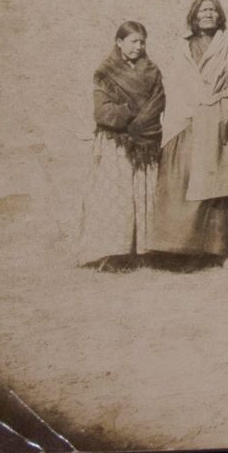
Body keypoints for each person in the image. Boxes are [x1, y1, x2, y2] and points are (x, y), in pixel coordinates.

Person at [155, 0, 228, 255]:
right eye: (202, 10)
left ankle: (218, 253)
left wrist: (218, 103)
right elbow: (171, 83)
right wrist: (187, 108)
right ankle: (177, 251)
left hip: (216, 123)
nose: (207, 14)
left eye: (213, 10)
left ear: (219, 16)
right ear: (194, 15)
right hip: (183, 123)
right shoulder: (181, 47)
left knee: (218, 187)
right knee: (179, 184)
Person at [75, 20, 162, 268]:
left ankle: (144, 253)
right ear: (119, 42)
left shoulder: (153, 72)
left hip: (145, 143)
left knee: (144, 195)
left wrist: (140, 122)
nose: (138, 46)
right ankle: (113, 255)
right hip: (117, 144)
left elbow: (158, 103)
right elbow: (103, 112)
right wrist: (132, 113)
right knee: (118, 198)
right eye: (133, 41)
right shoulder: (106, 73)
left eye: (142, 41)